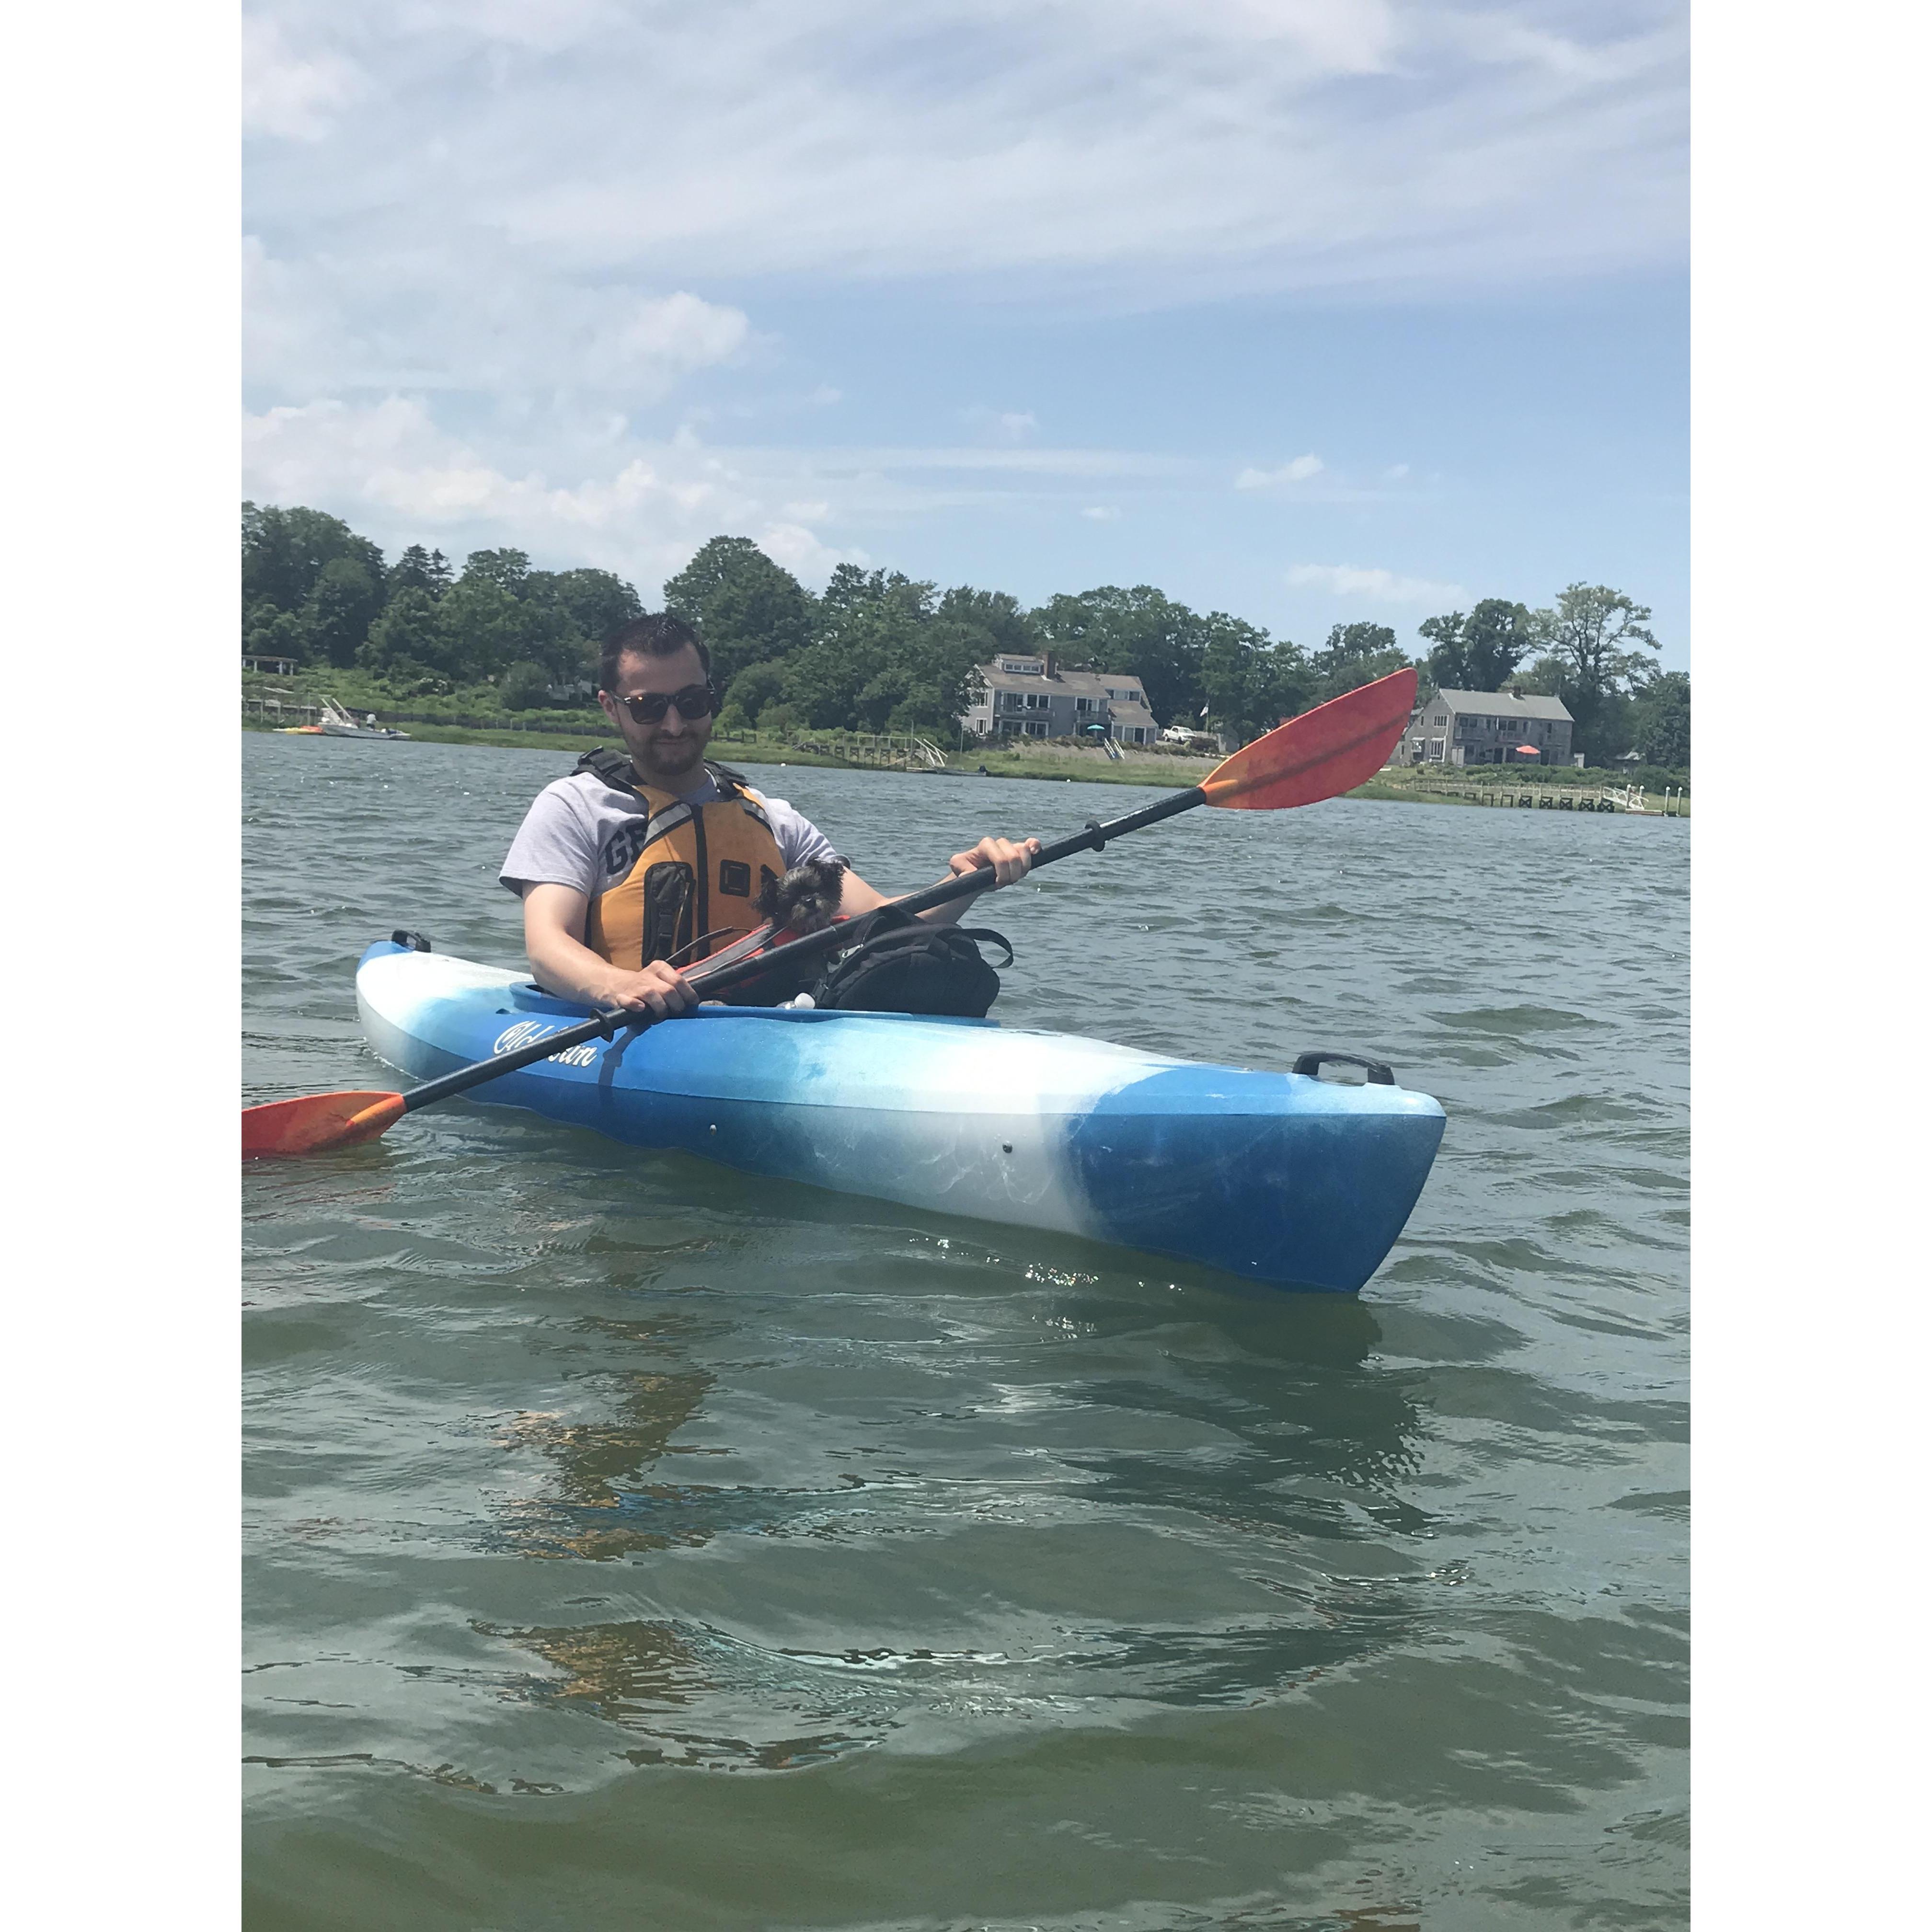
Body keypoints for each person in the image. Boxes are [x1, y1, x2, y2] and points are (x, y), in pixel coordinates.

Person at [499, 613, 1039, 1017]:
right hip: (629, 1024)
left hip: (760, 1025)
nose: (672, 724)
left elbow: (879, 925)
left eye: (690, 703)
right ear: (610, 707)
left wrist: (964, 883)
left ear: (711, 699)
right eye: (647, 707)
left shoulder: (776, 823)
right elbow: (548, 947)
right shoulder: (576, 807)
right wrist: (619, 986)